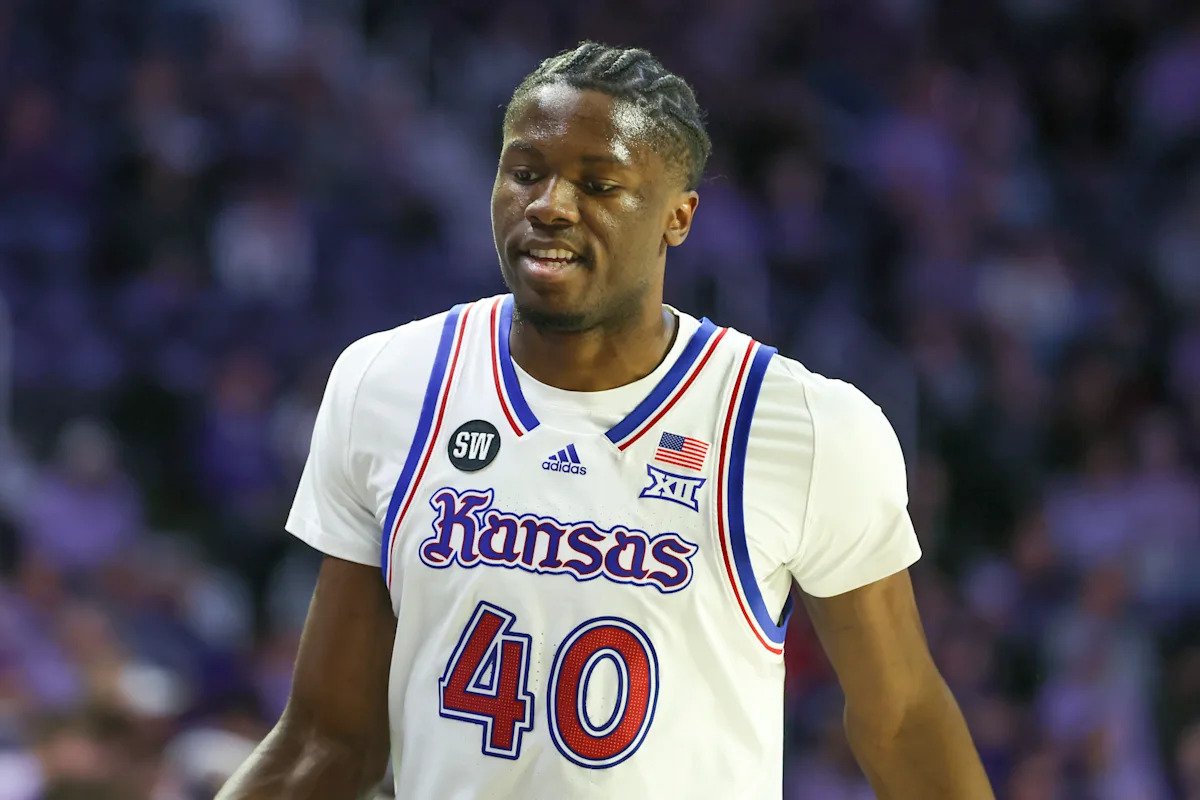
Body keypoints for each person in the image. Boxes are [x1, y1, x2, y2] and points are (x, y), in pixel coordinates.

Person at [218, 41, 994, 799]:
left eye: (598, 185)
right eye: (526, 172)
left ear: (677, 218)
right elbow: (329, 739)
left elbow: (901, 723)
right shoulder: (389, 383)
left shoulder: (804, 426)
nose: (550, 205)